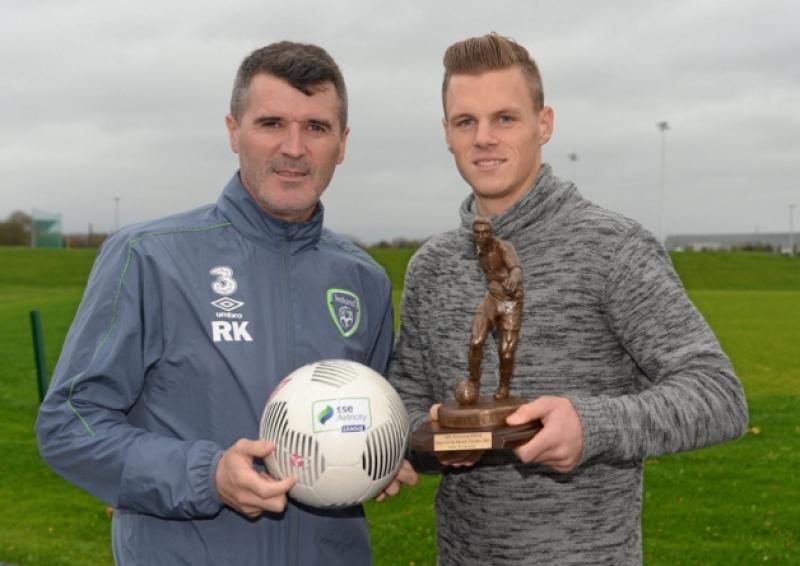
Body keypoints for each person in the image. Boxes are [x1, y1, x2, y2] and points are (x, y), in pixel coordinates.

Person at [36, 41, 416, 566]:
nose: (294, 147)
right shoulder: (148, 257)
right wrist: (207, 475)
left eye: (316, 127)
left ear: (343, 142)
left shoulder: (363, 279)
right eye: (270, 123)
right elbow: (68, 424)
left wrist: (380, 454)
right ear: (233, 131)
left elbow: (366, 414)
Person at [388, 32, 747, 565]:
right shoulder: (431, 266)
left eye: (504, 118)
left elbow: (719, 396)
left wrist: (591, 426)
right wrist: (425, 439)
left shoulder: (612, 247)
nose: (484, 137)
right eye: (467, 121)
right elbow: (407, 406)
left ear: (544, 124)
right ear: (447, 133)